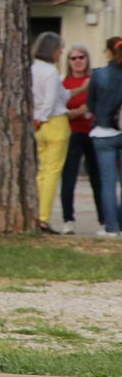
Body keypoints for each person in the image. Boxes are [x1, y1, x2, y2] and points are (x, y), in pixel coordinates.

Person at [60, 43, 103, 233]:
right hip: (72, 133)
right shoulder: (63, 82)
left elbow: (101, 104)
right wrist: (78, 111)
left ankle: (105, 219)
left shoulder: (94, 81)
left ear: (87, 59)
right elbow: (58, 108)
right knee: (69, 177)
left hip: (93, 133)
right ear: (68, 61)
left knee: (97, 178)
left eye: (81, 57)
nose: (78, 61)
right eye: (73, 58)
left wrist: (88, 109)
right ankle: (68, 219)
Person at [31, 32, 71, 234]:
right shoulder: (51, 72)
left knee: (42, 172)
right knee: (53, 172)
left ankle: (35, 212)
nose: (61, 53)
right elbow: (53, 99)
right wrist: (43, 116)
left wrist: (36, 118)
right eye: (59, 50)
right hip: (54, 122)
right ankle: (43, 218)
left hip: (38, 125)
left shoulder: (32, 69)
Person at [87, 36, 122, 237]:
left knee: (107, 183)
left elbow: (91, 105)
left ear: (108, 52)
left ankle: (111, 227)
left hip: (103, 133)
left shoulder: (99, 75)